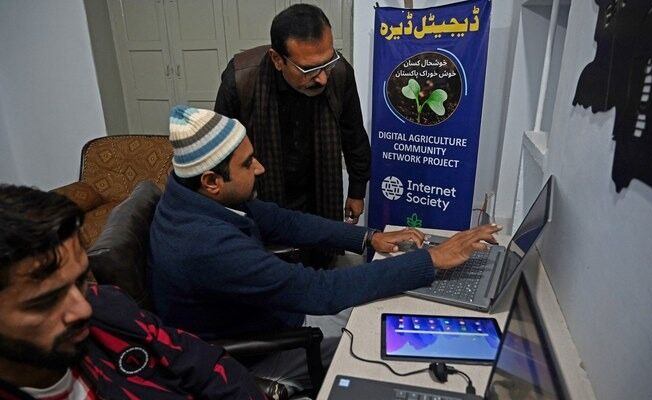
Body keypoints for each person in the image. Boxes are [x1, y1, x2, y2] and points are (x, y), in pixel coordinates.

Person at [149, 106, 501, 390]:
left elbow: (286, 222)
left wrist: (369, 238)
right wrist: (431, 259)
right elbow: (318, 291)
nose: (260, 168)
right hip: (258, 351)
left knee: (391, 309)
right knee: (391, 342)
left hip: (272, 316)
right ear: (211, 182)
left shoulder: (191, 196)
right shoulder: (204, 243)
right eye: (247, 163)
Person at [0, 184, 265, 400]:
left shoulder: (109, 310)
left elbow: (208, 366)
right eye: (46, 301)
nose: (82, 308)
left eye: (80, 281)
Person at [214, 4, 370, 267]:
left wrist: (357, 191)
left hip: (319, 186)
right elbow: (221, 152)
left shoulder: (340, 73)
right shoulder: (242, 79)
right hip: (263, 192)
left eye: (328, 63)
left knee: (321, 258)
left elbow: (353, 134)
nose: (322, 79)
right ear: (277, 60)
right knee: (271, 264)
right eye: (309, 70)